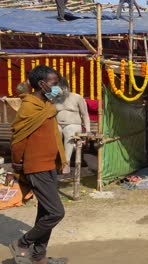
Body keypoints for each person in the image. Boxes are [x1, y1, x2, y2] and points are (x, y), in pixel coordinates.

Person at [9, 65, 67, 264]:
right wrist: (16, 163)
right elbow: (19, 137)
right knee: (56, 212)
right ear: (42, 84)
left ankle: (38, 257)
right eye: (54, 82)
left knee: (45, 212)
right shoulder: (29, 105)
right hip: (36, 166)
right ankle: (23, 242)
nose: (57, 86)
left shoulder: (47, 105)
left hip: (49, 164)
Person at [55, 77, 91, 174]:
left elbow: (85, 115)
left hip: (73, 124)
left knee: (69, 132)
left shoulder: (77, 97)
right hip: (57, 123)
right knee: (54, 132)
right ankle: (57, 162)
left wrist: (88, 130)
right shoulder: (53, 98)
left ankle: (66, 163)